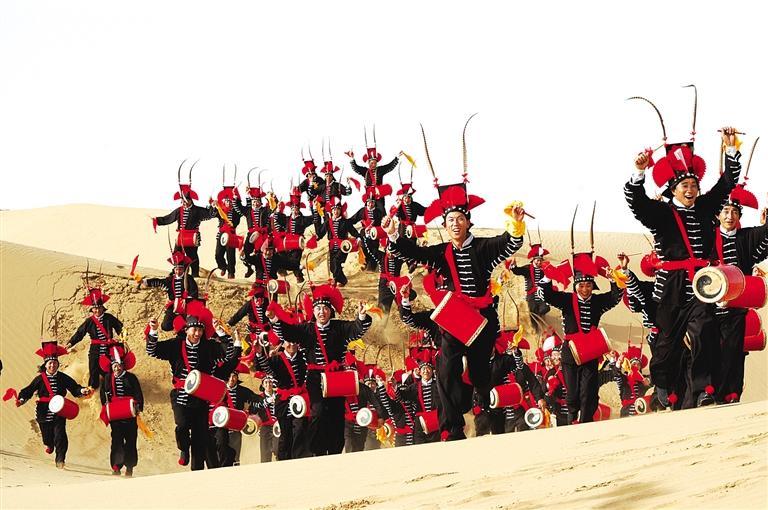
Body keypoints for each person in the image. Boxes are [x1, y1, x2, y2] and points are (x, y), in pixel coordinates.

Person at [382, 182, 525, 440]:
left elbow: (509, 243)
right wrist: (393, 234)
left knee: (480, 373)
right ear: (445, 225)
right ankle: (453, 428)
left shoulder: (484, 248)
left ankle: (485, 412)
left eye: (459, 219)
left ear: (468, 222)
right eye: (450, 220)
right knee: (446, 368)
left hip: (481, 320)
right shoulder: (441, 252)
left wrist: (515, 223)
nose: (455, 224)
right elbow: (414, 252)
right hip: (454, 318)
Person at [625, 127, 741, 407]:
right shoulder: (660, 213)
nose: (690, 190)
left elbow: (727, 183)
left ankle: (703, 390)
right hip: (670, 286)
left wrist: (730, 148)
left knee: (704, 330)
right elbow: (636, 203)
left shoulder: (705, 207)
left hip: (701, 282)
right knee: (666, 344)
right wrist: (638, 172)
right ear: (673, 189)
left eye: (693, 185)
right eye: (684, 186)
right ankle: (664, 384)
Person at [266, 284, 372, 455]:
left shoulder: (340, 327)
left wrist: (361, 315)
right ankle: (316, 450)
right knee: (318, 411)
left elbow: (357, 330)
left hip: (337, 377)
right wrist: (274, 319)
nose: (322, 312)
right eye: (318, 308)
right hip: (315, 377)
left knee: (337, 414)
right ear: (313, 312)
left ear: (330, 311)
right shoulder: (306, 329)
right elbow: (287, 332)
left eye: (325, 308)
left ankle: (335, 450)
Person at [145, 315, 239, 470]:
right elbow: (152, 351)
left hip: (201, 398)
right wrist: (154, 330)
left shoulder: (208, 346)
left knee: (199, 437)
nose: (197, 333)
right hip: (180, 395)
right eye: (194, 329)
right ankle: (183, 448)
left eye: (200, 330)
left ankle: (197, 472)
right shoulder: (176, 345)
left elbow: (229, 353)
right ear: (186, 330)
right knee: (181, 425)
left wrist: (220, 332)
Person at [539, 253, 623, 423]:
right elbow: (546, 296)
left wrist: (612, 279)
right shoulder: (566, 300)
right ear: (576, 286)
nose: (585, 289)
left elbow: (615, 298)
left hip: (590, 352)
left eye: (588, 285)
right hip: (570, 352)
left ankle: (585, 420)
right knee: (572, 393)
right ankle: (571, 419)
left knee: (588, 391)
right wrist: (548, 276)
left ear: (593, 286)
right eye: (581, 286)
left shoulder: (598, 301)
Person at [710, 185, 768, 403]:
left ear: (739, 216)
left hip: (736, 306)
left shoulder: (746, 237)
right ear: (718, 215)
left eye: (734, 212)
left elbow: (764, 238)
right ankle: (710, 391)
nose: (730, 216)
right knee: (711, 349)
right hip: (710, 305)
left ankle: (732, 392)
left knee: (735, 350)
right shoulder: (708, 237)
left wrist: (766, 223)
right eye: (725, 211)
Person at [16, 342, 91, 469]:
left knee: (60, 435)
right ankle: (49, 444)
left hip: (60, 410)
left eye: (55, 363)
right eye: (50, 363)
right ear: (45, 364)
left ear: (57, 364)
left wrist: (82, 390)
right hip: (43, 411)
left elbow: (74, 387)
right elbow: (29, 390)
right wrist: (22, 398)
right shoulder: (39, 379)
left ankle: (60, 459)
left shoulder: (63, 377)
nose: (52, 365)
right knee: (47, 437)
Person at [252, 337, 310, 460]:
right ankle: (284, 460)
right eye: (289, 342)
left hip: (300, 399)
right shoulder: (276, 359)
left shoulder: (304, 357)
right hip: (283, 400)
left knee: (300, 428)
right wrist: (259, 353)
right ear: (283, 344)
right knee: (285, 433)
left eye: (294, 342)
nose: (292, 344)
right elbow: (264, 367)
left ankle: (299, 458)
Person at [153, 181, 216, 278]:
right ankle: (176, 271)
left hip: (192, 237)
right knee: (177, 254)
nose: (184, 203)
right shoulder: (179, 210)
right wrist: (157, 220)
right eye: (182, 201)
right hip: (181, 236)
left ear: (190, 201)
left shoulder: (197, 210)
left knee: (192, 256)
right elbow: (169, 218)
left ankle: (195, 273)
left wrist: (213, 206)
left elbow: (210, 214)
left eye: (186, 201)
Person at [98, 344, 143, 477]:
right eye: (114, 366)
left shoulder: (131, 378)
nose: (117, 368)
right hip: (116, 414)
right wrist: (106, 407)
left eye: (119, 365)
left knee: (131, 440)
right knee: (116, 440)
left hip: (129, 413)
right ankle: (116, 466)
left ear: (123, 365)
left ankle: (129, 467)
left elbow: (138, 394)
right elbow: (103, 395)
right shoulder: (107, 378)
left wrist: (137, 406)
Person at [66, 286, 122, 389]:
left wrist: (122, 337)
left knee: (110, 371)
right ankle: (92, 389)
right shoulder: (89, 321)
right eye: (95, 308)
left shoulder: (109, 318)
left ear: (103, 308)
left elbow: (120, 328)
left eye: (99, 307)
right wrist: (70, 343)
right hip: (95, 350)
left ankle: (111, 389)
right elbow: (80, 333)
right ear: (92, 309)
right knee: (93, 371)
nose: (97, 310)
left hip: (109, 349)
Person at [142, 251, 199, 331]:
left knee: (190, 325)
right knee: (165, 326)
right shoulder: (170, 279)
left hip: (187, 306)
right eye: (176, 269)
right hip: (173, 306)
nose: (178, 272)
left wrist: (187, 300)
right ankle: (178, 324)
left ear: (184, 269)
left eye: (180, 269)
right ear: (174, 269)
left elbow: (194, 291)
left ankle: (182, 327)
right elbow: (160, 282)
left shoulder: (189, 278)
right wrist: (146, 282)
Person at [214, 364, 258, 467]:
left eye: (234, 376)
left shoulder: (243, 391)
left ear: (237, 378)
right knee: (221, 454)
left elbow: (256, 401)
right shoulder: (219, 389)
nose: (231, 379)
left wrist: (249, 411)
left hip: (235, 428)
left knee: (235, 456)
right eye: (229, 376)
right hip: (221, 427)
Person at [314, 198, 360, 286]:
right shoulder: (328, 222)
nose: (336, 211)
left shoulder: (345, 222)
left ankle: (334, 280)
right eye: (334, 209)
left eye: (338, 209)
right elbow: (321, 232)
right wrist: (316, 237)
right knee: (333, 267)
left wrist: (358, 238)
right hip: (332, 247)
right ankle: (343, 280)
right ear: (331, 211)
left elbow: (353, 231)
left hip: (343, 247)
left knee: (336, 261)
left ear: (340, 211)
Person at [509, 242, 551, 320]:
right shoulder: (527, 268)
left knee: (546, 308)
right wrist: (514, 266)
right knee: (531, 310)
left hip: (541, 295)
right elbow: (518, 271)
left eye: (540, 260)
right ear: (533, 259)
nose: (539, 262)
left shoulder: (544, 269)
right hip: (531, 296)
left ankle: (540, 315)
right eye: (537, 260)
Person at [211, 186, 243, 279]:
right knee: (218, 254)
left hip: (231, 233)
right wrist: (213, 206)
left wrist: (237, 197)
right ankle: (223, 266)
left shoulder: (236, 212)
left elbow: (240, 210)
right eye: (226, 201)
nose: (228, 202)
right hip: (221, 233)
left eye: (230, 201)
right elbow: (212, 214)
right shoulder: (220, 210)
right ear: (223, 201)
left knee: (230, 255)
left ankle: (231, 273)